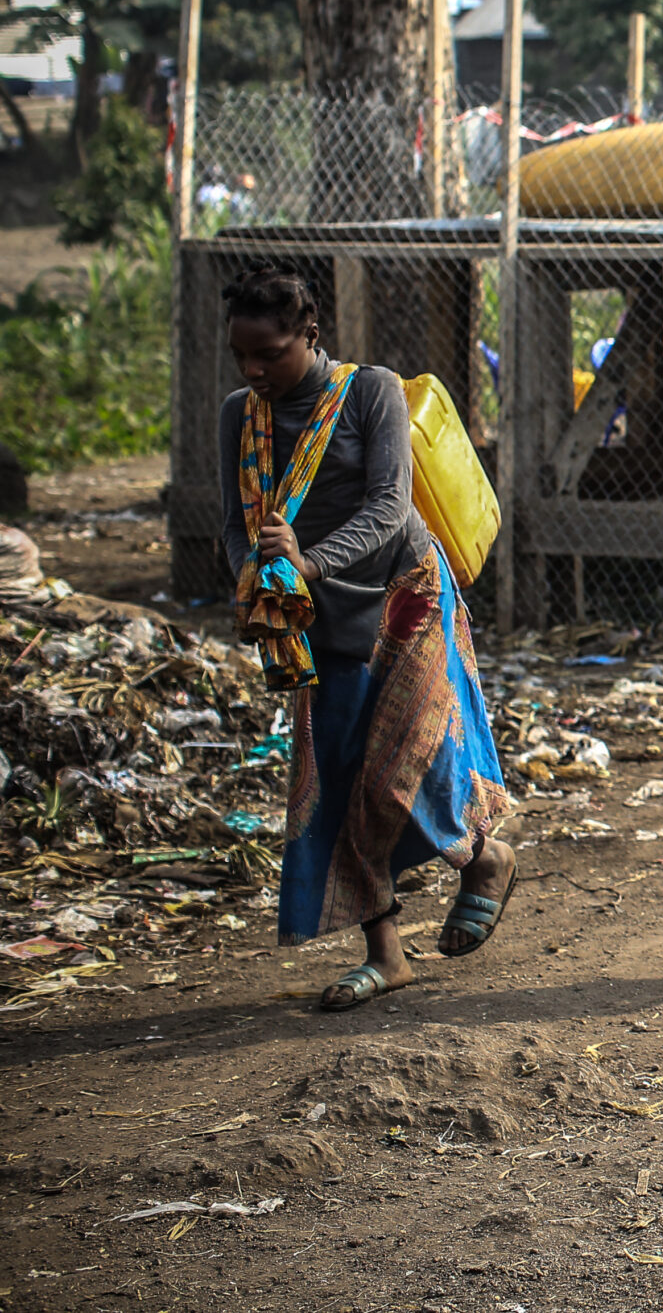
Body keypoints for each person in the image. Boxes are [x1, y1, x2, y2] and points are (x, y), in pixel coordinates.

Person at [216, 264, 513, 1011]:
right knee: (338, 779)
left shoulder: (368, 391)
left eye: (270, 354)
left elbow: (387, 508)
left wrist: (305, 561)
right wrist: (256, 583)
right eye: (242, 356)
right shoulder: (238, 415)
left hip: (400, 593)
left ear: (309, 334)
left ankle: (482, 855)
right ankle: (386, 953)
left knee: (410, 765)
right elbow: (232, 525)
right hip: (312, 621)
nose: (255, 371)